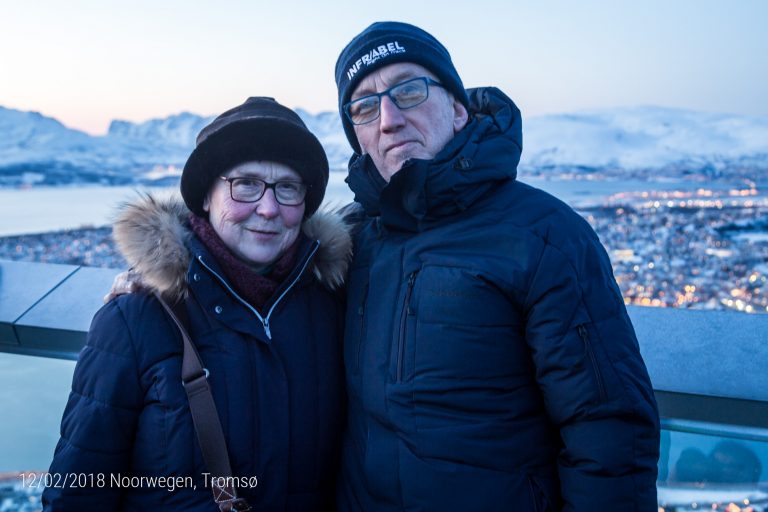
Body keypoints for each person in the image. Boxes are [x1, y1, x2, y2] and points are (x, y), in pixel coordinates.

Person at [333, 22, 661, 511]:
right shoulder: (352, 239)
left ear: (459, 110)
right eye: (364, 106)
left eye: (409, 90)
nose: (388, 119)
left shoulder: (543, 235)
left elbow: (607, 426)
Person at [43, 97, 351, 511]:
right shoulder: (135, 319)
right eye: (245, 183)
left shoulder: (333, 309)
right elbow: (78, 490)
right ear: (206, 196)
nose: (268, 207)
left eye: (288, 188)